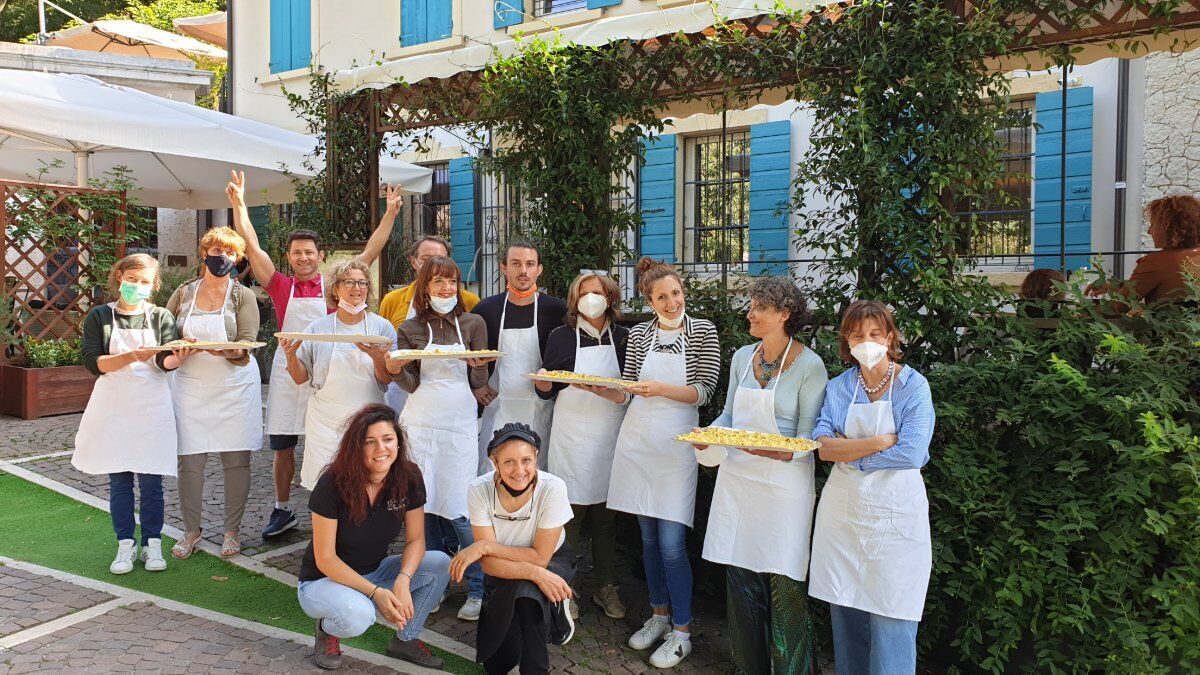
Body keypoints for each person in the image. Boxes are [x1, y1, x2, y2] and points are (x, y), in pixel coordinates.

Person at [226, 170, 402, 539]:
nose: (303, 257)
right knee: (284, 443)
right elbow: (253, 245)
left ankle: (347, 510)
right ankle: (282, 507)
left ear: (321, 257)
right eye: (297, 253)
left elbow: (372, 250)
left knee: (340, 441)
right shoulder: (279, 284)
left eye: (309, 252)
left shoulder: (336, 285)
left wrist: (390, 214)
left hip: (332, 370)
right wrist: (239, 206)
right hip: (292, 365)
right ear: (288, 258)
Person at [691, 276, 828, 674]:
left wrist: (765, 448)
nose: (749, 313)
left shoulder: (810, 365)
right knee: (741, 580)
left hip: (785, 489)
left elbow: (808, 437)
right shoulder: (741, 357)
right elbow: (730, 416)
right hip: (739, 483)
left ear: (784, 314)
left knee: (785, 587)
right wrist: (707, 436)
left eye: (759, 307)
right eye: (751, 305)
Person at [599, 257, 720, 669]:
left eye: (677, 294)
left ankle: (682, 632)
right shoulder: (638, 335)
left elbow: (704, 392)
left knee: (671, 545)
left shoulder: (703, 330)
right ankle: (659, 616)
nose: (672, 303)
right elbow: (630, 390)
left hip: (677, 444)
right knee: (648, 540)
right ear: (649, 300)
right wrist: (602, 390)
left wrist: (662, 388)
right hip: (638, 440)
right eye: (662, 297)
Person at [807, 300, 936, 674]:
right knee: (845, 611)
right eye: (857, 334)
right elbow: (824, 446)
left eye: (875, 334)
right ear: (846, 340)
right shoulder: (839, 386)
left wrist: (853, 455)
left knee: (892, 612)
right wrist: (880, 443)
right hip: (845, 517)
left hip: (895, 520)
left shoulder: (913, 386)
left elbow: (912, 452)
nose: (867, 341)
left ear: (891, 337)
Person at [297, 403, 451, 670]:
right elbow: (325, 558)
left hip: (375, 570)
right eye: (370, 442)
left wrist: (403, 580)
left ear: (399, 443)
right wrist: (375, 592)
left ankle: (406, 640)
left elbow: (416, 540)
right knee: (358, 615)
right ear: (357, 447)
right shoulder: (331, 484)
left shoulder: (409, 475)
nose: (381, 449)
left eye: (388, 439)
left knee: (440, 563)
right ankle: (326, 629)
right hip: (323, 581)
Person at [386, 256, 493, 622]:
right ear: (425, 288)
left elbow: (479, 384)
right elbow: (412, 384)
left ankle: (479, 589)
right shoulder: (411, 328)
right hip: (420, 422)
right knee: (424, 508)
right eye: (438, 282)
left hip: (459, 423)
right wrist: (395, 370)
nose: (446, 288)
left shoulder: (474, 323)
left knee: (462, 510)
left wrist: (480, 370)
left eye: (452, 281)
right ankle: (436, 584)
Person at [73, 254, 189, 574]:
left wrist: (179, 357)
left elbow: (163, 362)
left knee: (152, 481)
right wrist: (130, 356)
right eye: (133, 279)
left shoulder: (161, 317)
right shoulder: (100, 317)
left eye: (145, 282)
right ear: (120, 277)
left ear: (154, 287)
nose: (138, 287)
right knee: (120, 480)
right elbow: (94, 363)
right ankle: (125, 543)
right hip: (114, 407)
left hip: (152, 407)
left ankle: (153, 542)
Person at [533, 270, 629, 620]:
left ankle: (606, 587)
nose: (592, 298)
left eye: (598, 292)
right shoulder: (560, 336)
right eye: (584, 292)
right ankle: (564, 589)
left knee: (606, 517)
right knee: (567, 515)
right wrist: (543, 382)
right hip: (571, 433)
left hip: (610, 432)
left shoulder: (624, 337)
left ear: (610, 297)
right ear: (575, 300)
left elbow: (630, 390)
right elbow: (546, 389)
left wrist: (609, 392)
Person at [165, 226, 262, 560]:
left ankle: (231, 531)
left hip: (233, 387)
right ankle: (191, 530)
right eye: (217, 250)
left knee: (236, 460)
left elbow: (248, 341)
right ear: (203, 252)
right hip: (190, 387)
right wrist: (177, 349)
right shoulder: (183, 293)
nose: (222, 257)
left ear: (237, 259)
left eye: (230, 253)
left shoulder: (242, 295)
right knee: (189, 462)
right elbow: (165, 334)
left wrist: (231, 351)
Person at [450, 423, 576, 675]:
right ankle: (542, 601)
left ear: (537, 457)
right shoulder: (479, 489)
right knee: (497, 665)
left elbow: (541, 556)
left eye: (526, 460)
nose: (519, 470)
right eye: (508, 462)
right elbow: (488, 565)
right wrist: (535, 573)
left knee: (529, 596)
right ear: (494, 462)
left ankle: (536, 668)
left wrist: (485, 546)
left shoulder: (553, 487)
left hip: (552, 560)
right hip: (505, 566)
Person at [281, 259, 397, 492]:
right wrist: (291, 355)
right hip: (326, 420)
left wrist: (376, 357)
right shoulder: (318, 328)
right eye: (349, 282)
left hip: (369, 419)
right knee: (327, 485)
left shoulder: (382, 328)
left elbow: (387, 379)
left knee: (368, 483)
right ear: (335, 288)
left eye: (362, 283)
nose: (357, 288)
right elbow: (300, 378)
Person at [472, 238, 567, 473]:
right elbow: (469, 354)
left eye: (530, 264)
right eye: (515, 263)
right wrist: (476, 386)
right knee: (493, 474)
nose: (523, 271)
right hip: (497, 408)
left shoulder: (557, 310)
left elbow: (567, 359)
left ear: (539, 269)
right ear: (503, 267)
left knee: (535, 474)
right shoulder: (486, 310)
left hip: (539, 408)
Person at [378, 235, 481, 416]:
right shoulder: (392, 300)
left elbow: (478, 355)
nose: (434, 266)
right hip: (404, 393)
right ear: (413, 262)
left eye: (440, 259)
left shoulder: (470, 302)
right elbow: (384, 344)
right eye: (426, 260)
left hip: (457, 403)